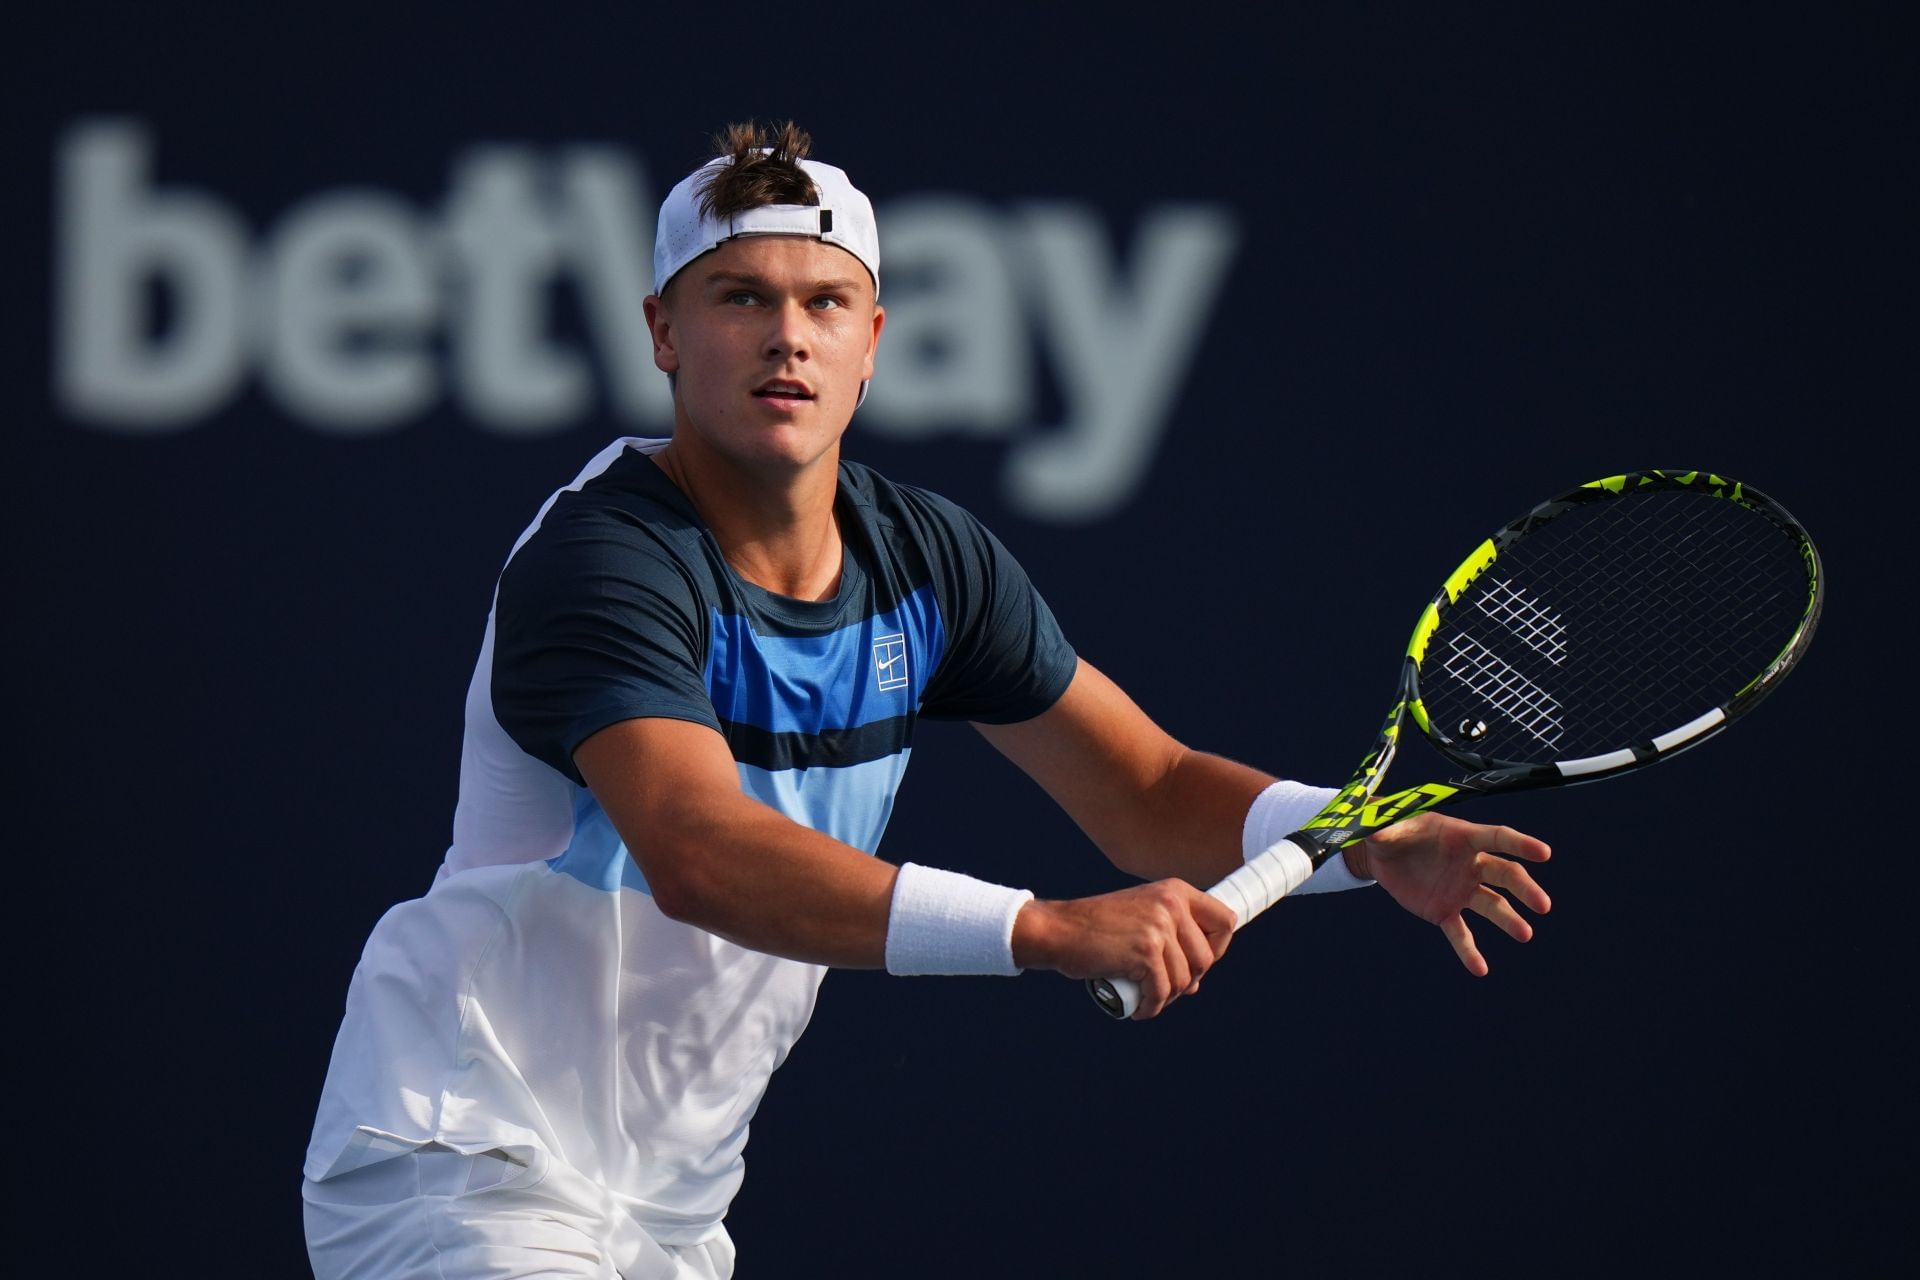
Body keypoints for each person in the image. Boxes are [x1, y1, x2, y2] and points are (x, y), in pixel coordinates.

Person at [301, 121, 1552, 1280]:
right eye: (741, 298)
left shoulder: (926, 562)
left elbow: (1147, 786)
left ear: (872, 341)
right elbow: (697, 852)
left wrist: (1363, 836)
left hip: (667, 1215)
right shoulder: (604, 559)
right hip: (461, 1151)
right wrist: (1047, 928)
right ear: (664, 332)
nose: (787, 335)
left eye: (823, 303)